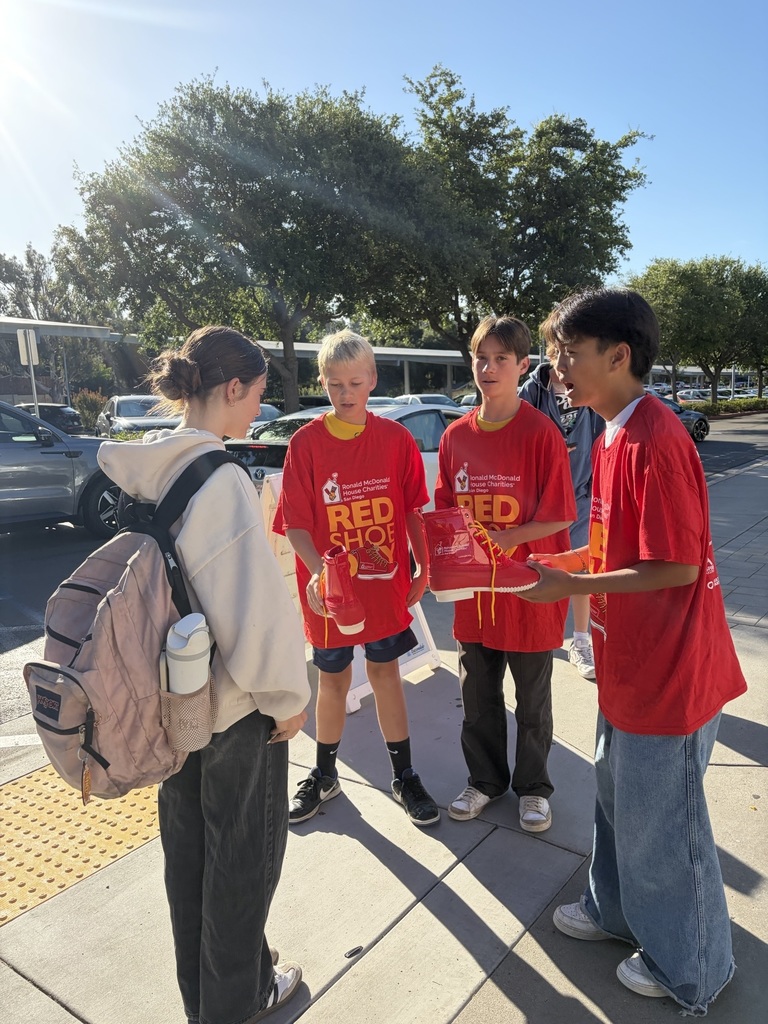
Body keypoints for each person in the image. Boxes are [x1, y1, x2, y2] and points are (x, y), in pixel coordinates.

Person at [520, 289, 747, 1014]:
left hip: (670, 673)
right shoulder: (613, 431)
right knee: (618, 804)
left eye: (568, 354)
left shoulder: (656, 439)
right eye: (554, 354)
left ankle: (696, 965)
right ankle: (615, 913)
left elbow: (675, 566)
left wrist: (569, 584)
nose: (556, 369)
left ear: (619, 356)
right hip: (629, 662)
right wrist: (561, 565)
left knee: (665, 829)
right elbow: (617, 545)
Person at [98, 326, 311, 1024]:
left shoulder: (143, 469)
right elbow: (253, 616)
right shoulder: (220, 480)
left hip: (167, 702)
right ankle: (236, 1004)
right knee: (241, 863)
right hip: (230, 710)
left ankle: (207, 1001)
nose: (259, 411)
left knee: (187, 859)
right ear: (232, 388)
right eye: (256, 396)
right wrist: (289, 698)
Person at [273, 328, 440, 827]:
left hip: (384, 585)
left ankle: (404, 775)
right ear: (322, 382)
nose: (345, 394)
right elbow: (295, 524)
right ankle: (324, 775)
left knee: (387, 675)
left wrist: (423, 566)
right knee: (333, 680)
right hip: (331, 596)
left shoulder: (395, 440)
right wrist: (321, 572)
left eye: (354, 382)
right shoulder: (306, 444)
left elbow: (412, 509)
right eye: (335, 384)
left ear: (372, 380)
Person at [433, 315, 576, 832]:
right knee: (478, 699)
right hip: (475, 595)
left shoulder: (540, 433)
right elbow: (445, 510)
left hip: (528, 590)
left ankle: (534, 789)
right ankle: (485, 781)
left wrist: (507, 539)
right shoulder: (455, 436)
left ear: (522, 365)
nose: (488, 368)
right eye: (481, 358)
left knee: (532, 702)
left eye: (500, 359)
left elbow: (561, 514)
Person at [519, 347, 604, 679]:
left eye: (573, 353)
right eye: (560, 353)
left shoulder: (585, 387)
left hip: (579, 496)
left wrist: (595, 489)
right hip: (541, 503)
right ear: (550, 353)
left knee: (582, 571)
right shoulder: (532, 390)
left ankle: (580, 640)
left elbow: (598, 436)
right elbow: (519, 437)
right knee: (535, 568)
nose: (566, 362)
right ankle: (535, 634)